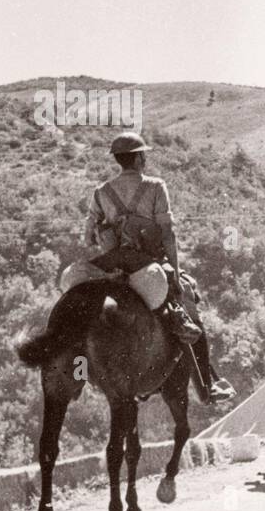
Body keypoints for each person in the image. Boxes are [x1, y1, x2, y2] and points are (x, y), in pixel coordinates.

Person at [71, 131, 234, 404]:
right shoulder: (156, 186)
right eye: (143, 155)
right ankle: (207, 387)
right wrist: (177, 275)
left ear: (119, 160)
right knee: (190, 311)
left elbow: (87, 238)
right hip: (148, 265)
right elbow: (168, 234)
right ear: (138, 159)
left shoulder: (100, 193)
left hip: (111, 266)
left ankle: (77, 375)